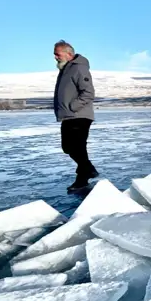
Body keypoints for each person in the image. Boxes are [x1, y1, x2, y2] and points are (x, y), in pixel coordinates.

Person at [53, 40, 99, 191]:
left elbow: (88, 93)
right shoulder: (65, 70)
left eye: (57, 54)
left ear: (69, 54)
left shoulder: (79, 69)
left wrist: (73, 107)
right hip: (69, 116)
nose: (55, 57)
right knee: (70, 148)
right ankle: (85, 173)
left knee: (77, 148)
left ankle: (85, 175)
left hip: (79, 115)